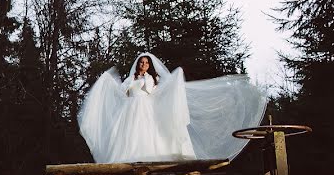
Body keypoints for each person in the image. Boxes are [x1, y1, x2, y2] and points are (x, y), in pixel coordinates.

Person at [78, 52, 268, 164]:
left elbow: (152, 92)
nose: (144, 65)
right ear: (138, 64)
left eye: (146, 63)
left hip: (145, 107)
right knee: (128, 135)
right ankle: (128, 158)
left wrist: (147, 81)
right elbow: (123, 92)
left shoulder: (151, 78)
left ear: (149, 65)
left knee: (148, 134)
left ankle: (149, 157)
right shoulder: (130, 78)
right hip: (130, 109)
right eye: (142, 63)